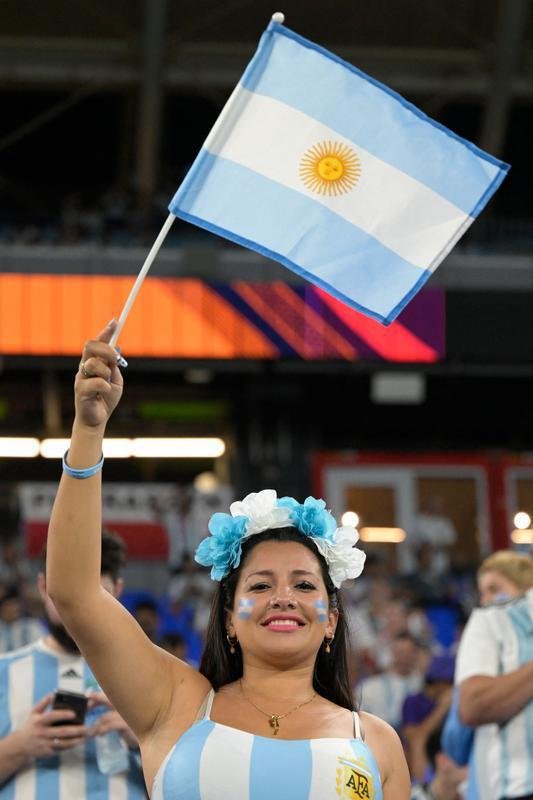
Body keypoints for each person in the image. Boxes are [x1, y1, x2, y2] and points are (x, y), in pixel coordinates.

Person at [45, 320, 411, 799]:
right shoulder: (174, 704)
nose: (283, 597)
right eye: (259, 586)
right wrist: (88, 430)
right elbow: (74, 593)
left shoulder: (377, 742)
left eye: (304, 585)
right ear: (228, 620)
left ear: (331, 620)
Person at [0, 530, 147, 798]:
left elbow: (196, 778)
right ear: (44, 587)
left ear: (118, 590)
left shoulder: (157, 673)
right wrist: (21, 745)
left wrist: (146, 740)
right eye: (67, 593)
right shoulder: (3, 672)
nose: (79, 608)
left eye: (95, 594)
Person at [451, 549, 533, 800]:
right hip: (517, 788)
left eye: (494, 589)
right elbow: (467, 714)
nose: (486, 600)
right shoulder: (488, 621)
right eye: (483, 591)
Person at [357, 632, 424, 730]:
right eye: (400, 652)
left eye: (409, 652)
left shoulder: (422, 685)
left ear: (416, 654)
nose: (404, 657)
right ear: (392, 652)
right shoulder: (370, 686)